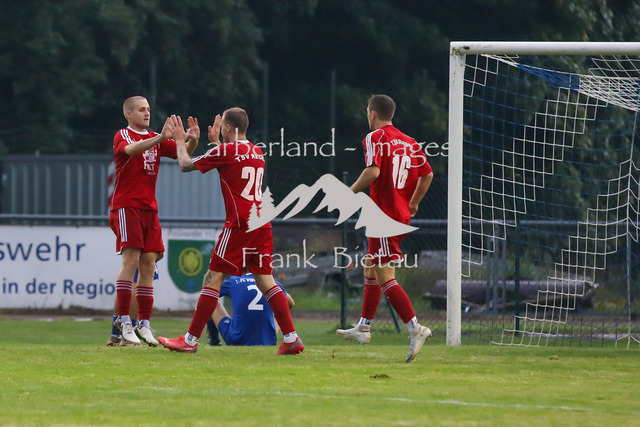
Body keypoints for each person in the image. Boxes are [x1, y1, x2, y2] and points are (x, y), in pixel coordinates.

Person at [158, 108, 304, 355]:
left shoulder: (225, 151)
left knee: (212, 278)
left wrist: (181, 142)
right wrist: (216, 143)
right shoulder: (257, 152)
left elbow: (185, 165)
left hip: (239, 224)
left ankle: (190, 340)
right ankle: (291, 337)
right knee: (266, 281)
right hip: (261, 223)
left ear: (227, 127)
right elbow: (233, 164)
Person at [336, 94, 434, 362]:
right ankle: (364, 327)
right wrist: (413, 203)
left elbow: (373, 172)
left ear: (372, 113)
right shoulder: (410, 142)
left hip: (383, 216)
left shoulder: (375, 137)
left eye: (367, 112)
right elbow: (427, 174)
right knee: (370, 267)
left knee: (385, 277)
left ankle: (415, 328)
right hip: (400, 215)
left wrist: (348, 193)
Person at [109, 96, 199, 345]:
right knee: (131, 262)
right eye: (141, 109)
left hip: (150, 209)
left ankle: (144, 324)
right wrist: (161, 137)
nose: (147, 113)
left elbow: (182, 155)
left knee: (148, 264)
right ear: (128, 113)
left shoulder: (154, 138)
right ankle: (123, 321)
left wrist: (191, 140)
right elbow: (130, 150)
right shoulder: (123, 135)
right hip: (127, 206)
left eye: (148, 109)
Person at [207, 273, 295, 346]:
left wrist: (210, 322)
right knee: (281, 308)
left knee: (212, 301)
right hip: (268, 341)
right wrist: (274, 325)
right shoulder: (272, 283)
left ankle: (214, 341)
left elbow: (208, 296)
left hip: (237, 339)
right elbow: (290, 303)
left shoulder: (234, 281)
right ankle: (270, 332)